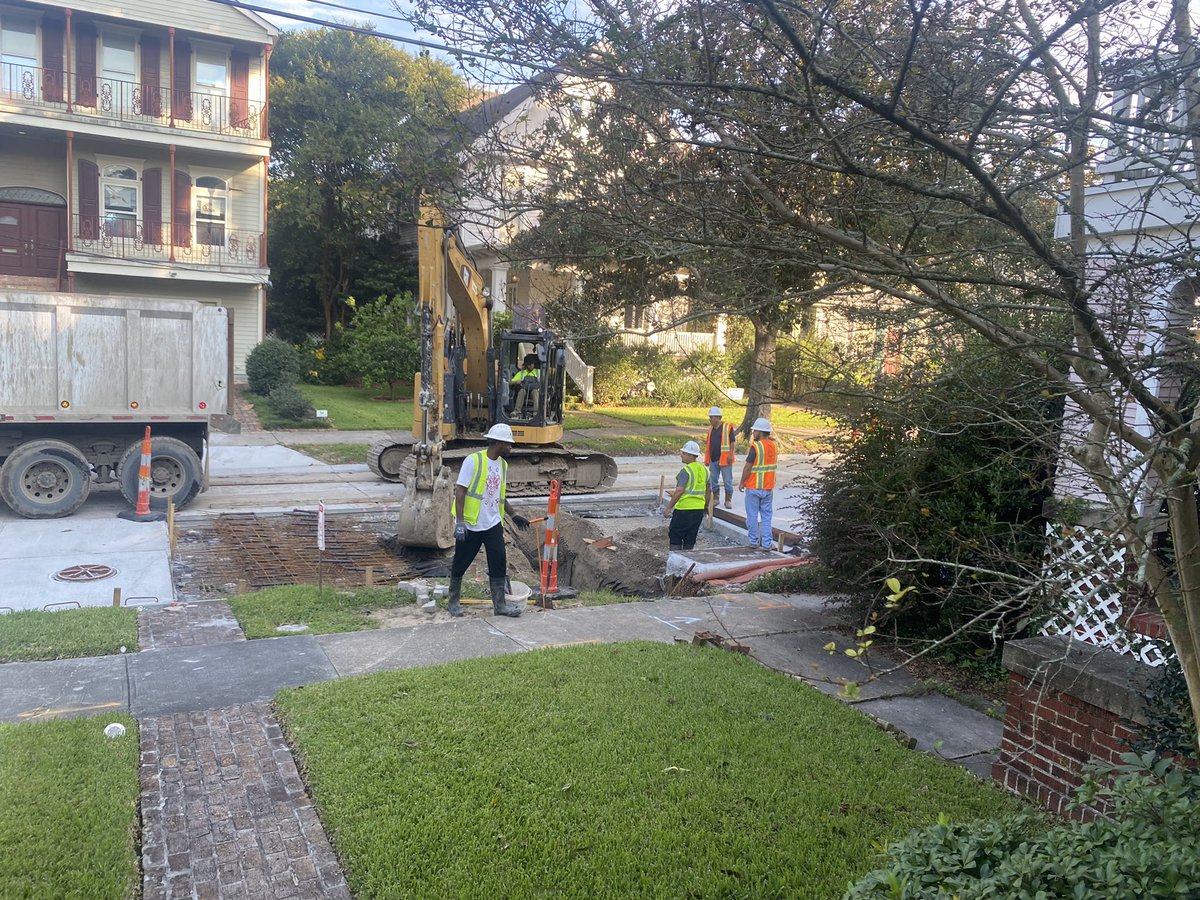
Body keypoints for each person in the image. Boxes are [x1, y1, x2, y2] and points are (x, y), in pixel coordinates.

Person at [449, 422, 531, 617]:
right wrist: (460, 522)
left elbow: (499, 495)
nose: (511, 447)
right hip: (471, 524)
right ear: (497, 443)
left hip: (493, 523)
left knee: (498, 561)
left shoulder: (503, 464)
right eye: (508, 444)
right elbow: (460, 492)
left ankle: (500, 606)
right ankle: (453, 601)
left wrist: (513, 515)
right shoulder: (473, 461)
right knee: (461, 562)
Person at [662, 440, 710, 551]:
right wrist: (706, 507)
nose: (681, 455)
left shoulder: (686, 471)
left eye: (684, 453)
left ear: (691, 455)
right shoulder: (705, 470)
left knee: (675, 536)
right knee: (690, 538)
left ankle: (676, 561)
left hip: (684, 510)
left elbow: (679, 491)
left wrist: (668, 508)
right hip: (698, 510)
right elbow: (708, 491)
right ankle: (688, 561)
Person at [738, 417, 778, 550]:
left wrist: (742, 482)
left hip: (753, 487)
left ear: (760, 432)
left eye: (755, 431)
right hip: (767, 488)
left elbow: (748, 467)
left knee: (752, 516)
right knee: (766, 517)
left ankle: (753, 542)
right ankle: (767, 544)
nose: (753, 433)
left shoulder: (756, 446)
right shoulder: (773, 446)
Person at [703, 405, 736, 509]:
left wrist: (730, 455)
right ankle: (716, 498)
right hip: (713, 459)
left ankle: (728, 500)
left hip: (725, 459)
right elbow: (708, 444)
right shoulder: (711, 429)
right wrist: (707, 459)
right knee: (713, 480)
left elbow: (732, 442)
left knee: (727, 481)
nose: (710, 419)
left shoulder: (727, 427)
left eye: (711, 417)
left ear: (717, 417)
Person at [510, 353, 541, 417]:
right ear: (527, 365)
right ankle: (517, 411)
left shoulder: (538, 372)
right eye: (530, 364)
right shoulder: (521, 373)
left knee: (535, 392)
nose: (532, 365)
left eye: (533, 364)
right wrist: (518, 382)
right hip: (524, 390)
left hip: (535, 391)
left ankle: (536, 412)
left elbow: (544, 381)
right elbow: (511, 382)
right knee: (522, 391)